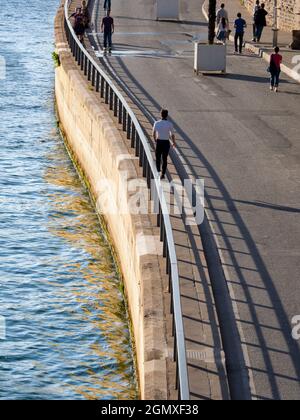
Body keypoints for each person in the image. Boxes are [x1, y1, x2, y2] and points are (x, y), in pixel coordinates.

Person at [153, 110, 176, 180]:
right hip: (166, 143)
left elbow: (153, 133)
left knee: (158, 157)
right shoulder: (170, 124)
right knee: (165, 158)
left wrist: (155, 140)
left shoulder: (157, 123)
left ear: (161, 115)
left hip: (159, 142)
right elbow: (172, 135)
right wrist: (174, 142)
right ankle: (163, 174)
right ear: (167, 115)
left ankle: (158, 171)